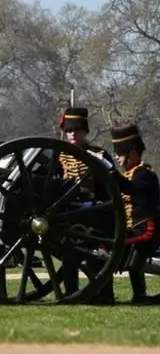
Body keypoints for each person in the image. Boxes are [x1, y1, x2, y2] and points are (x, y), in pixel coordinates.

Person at [89, 124, 160, 304]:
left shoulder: (145, 174)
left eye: (120, 154)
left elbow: (129, 189)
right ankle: (134, 295)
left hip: (144, 229)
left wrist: (107, 166)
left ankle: (133, 295)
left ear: (133, 153)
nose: (117, 157)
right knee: (112, 251)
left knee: (110, 251)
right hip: (131, 228)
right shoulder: (130, 174)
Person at [56, 107, 116, 303]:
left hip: (94, 210)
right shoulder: (60, 155)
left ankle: (103, 293)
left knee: (97, 255)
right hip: (68, 211)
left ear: (85, 131)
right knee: (68, 254)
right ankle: (71, 292)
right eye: (69, 131)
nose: (72, 134)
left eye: (76, 130)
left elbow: (111, 186)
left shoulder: (98, 154)